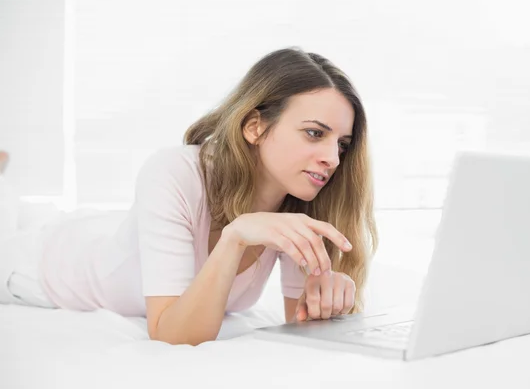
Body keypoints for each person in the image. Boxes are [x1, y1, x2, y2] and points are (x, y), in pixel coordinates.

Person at [0, 47, 378, 345]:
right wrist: (235, 236)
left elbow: (298, 325)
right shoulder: (175, 172)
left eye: (342, 144)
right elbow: (171, 334)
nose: (332, 158)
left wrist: (328, 304)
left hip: (111, 238)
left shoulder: (301, 203)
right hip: (40, 265)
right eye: (314, 133)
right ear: (254, 126)